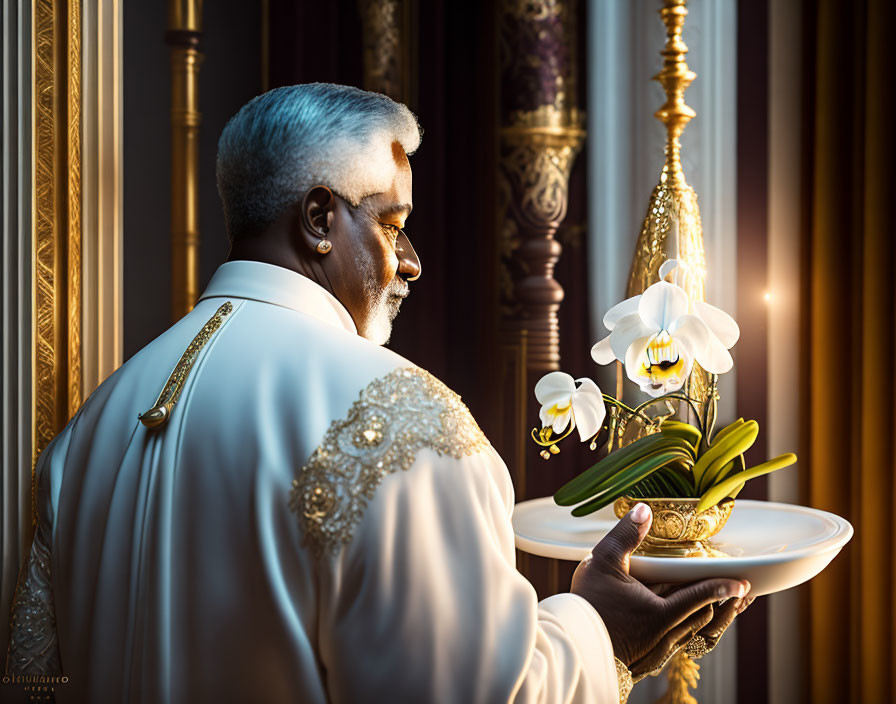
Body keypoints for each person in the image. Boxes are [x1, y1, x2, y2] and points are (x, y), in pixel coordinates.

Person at [5, 83, 752, 703]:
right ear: (321, 219)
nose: (412, 264)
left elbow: (31, 678)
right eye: (393, 224)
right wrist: (600, 631)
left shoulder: (90, 428)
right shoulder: (400, 419)